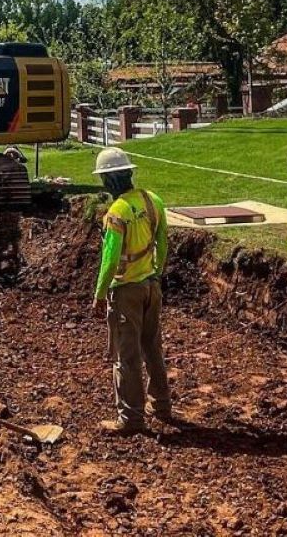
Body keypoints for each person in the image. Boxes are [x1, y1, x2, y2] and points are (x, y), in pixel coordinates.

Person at [91, 147, 171, 435]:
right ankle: (161, 403)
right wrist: (156, 273)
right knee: (152, 347)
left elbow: (110, 259)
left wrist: (100, 294)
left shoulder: (117, 212)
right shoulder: (153, 201)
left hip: (126, 291)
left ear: (110, 180)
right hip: (151, 286)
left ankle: (131, 417)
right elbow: (162, 244)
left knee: (126, 358)